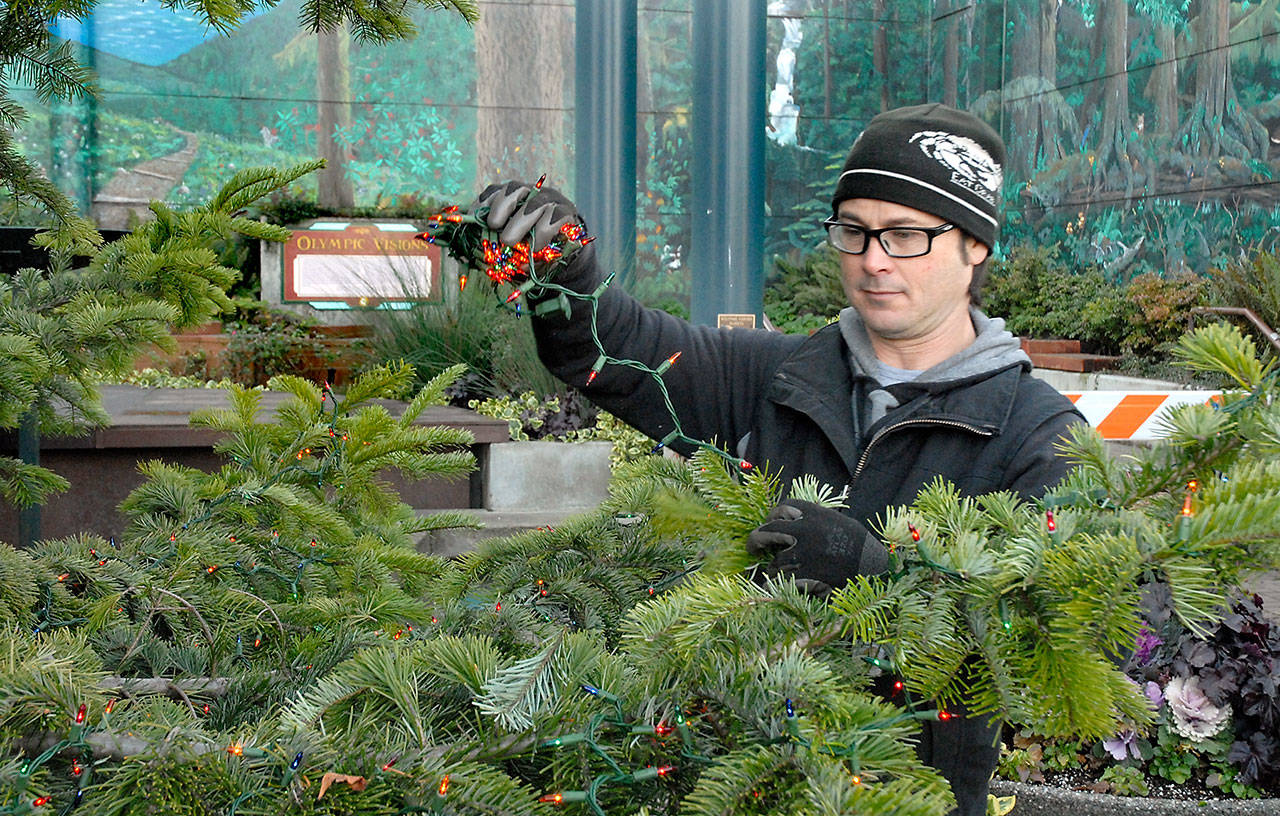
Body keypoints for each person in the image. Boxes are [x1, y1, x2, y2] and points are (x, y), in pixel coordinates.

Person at [476, 103, 1085, 816]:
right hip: (736, 789)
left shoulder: (1037, 431)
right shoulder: (770, 376)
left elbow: (1057, 634)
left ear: (975, 244)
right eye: (853, 231)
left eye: (906, 235)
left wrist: (877, 573)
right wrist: (562, 265)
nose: (873, 259)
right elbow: (616, 349)